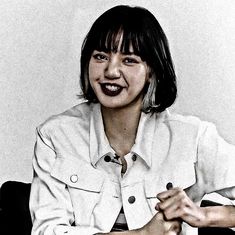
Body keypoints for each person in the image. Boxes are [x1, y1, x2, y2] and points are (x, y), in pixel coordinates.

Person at [29, 5, 235, 235]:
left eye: (129, 60)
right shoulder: (55, 136)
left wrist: (205, 216)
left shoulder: (193, 137)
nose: (111, 71)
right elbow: (45, 231)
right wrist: (142, 234)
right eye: (100, 56)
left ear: (152, 72)